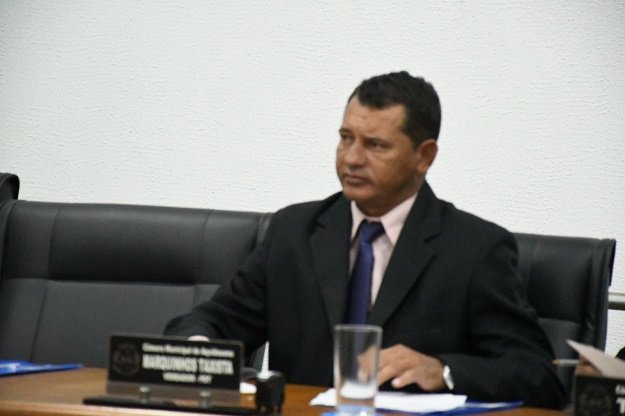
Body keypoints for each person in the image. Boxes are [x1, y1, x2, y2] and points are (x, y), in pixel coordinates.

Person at [165, 71, 566, 408]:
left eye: (375, 145)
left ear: (424, 156)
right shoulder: (294, 231)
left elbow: (537, 374)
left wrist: (443, 370)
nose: (351, 158)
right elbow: (214, 321)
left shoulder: (475, 249)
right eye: (346, 137)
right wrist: (200, 349)